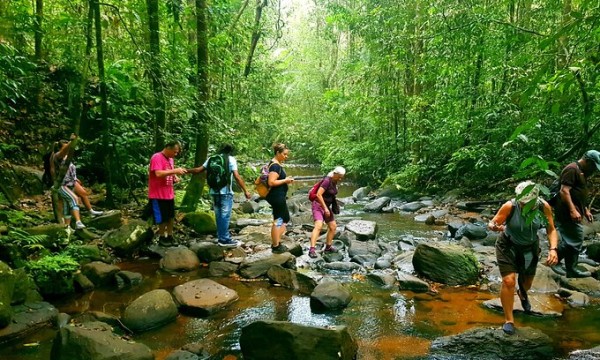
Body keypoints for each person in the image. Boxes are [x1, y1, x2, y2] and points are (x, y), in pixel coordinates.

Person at [488, 181, 558, 335]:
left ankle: (523, 292)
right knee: (508, 281)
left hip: (530, 248)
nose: (525, 205)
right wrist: (494, 226)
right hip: (508, 245)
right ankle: (509, 320)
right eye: (522, 202)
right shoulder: (510, 206)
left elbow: (551, 229)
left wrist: (553, 249)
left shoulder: (543, 207)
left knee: (527, 282)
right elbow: (493, 222)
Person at [189, 143, 251, 247]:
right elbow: (237, 176)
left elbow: (198, 170)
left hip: (214, 191)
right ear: (230, 151)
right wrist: (245, 190)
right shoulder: (231, 159)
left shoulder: (211, 158)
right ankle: (224, 239)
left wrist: (184, 170)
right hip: (226, 192)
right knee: (225, 216)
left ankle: (220, 236)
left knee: (218, 216)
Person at [552, 150, 600, 278]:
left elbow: (578, 193)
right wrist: (573, 210)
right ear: (588, 161)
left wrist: (585, 210)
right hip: (566, 212)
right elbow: (564, 191)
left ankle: (565, 265)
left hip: (576, 210)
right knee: (576, 238)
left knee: (572, 240)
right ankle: (563, 265)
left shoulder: (581, 171)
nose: (594, 170)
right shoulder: (572, 169)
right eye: (594, 166)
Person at [148, 141, 187, 246]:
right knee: (162, 218)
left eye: (177, 152)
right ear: (168, 148)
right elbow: (158, 173)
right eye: (174, 152)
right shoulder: (156, 157)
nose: (175, 154)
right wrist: (175, 171)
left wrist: (175, 176)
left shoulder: (170, 159)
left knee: (170, 216)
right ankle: (161, 237)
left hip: (169, 193)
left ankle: (170, 236)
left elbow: (169, 172)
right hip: (158, 194)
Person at [308, 166, 345, 258]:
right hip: (318, 205)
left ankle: (328, 247)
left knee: (333, 227)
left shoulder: (334, 182)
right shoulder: (327, 181)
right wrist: (325, 208)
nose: (340, 178)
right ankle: (312, 249)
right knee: (319, 226)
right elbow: (319, 194)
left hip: (326, 207)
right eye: (339, 176)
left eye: (342, 177)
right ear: (335, 174)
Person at [265, 143, 294, 254]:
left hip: (279, 196)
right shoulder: (275, 166)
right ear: (278, 153)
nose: (286, 157)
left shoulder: (275, 164)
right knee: (278, 220)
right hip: (276, 197)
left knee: (285, 218)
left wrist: (285, 180)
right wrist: (285, 181)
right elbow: (271, 182)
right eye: (284, 154)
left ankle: (276, 240)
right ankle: (275, 245)